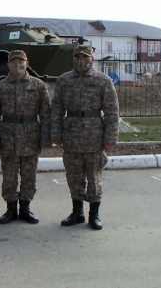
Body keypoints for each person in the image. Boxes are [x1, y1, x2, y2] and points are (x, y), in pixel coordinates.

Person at [50, 44, 119, 230]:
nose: (81, 60)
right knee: (74, 176)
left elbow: (112, 112)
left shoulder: (103, 81)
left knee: (94, 176)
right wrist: (55, 133)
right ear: (73, 58)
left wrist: (110, 138)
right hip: (71, 135)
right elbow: (56, 109)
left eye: (85, 57)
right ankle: (77, 212)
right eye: (78, 56)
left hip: (94, 136)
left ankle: (94, 214)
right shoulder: (64, 81)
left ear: (92, 59)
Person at [0, 50, 52, 224]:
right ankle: (10, 209)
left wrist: (46, 138)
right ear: (8, 65)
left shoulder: (38, 86)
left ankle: (25, 208)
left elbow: (46, 114)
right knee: (9, 176)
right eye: (13, 62)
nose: (17, 65)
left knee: (29, 175)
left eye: (20, 61)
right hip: (8, 138)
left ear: (27, 63)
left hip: (31, 136)